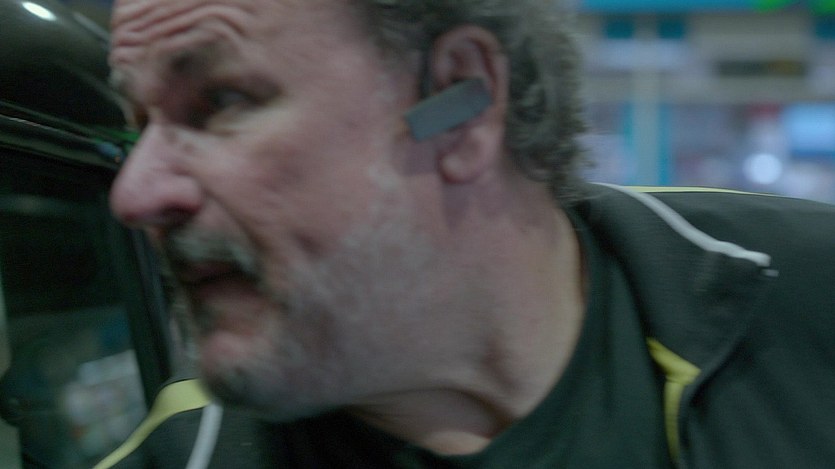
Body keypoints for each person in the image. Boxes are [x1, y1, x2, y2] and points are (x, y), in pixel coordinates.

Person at [102, 0, 835, 467]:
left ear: (459, 101)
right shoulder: (182, 457)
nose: (134, 194)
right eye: (137, 125)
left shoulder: (810, 300)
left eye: (221, 101)